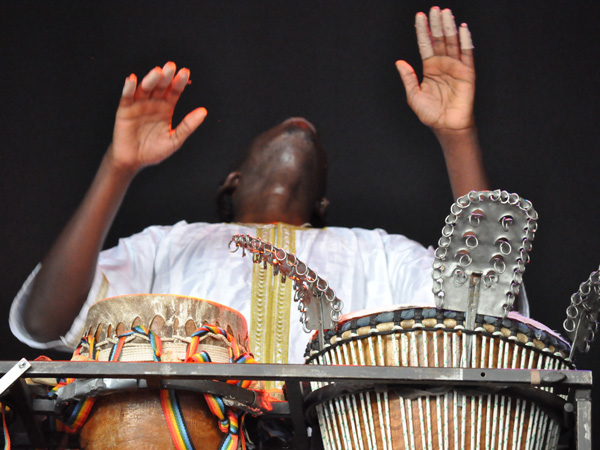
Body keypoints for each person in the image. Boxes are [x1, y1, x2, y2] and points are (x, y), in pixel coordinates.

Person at [10, 7, 494, 365]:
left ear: (322, 202)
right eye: (274, 132)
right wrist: (117, 167)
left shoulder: (377, 252)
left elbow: (480, 313)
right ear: (232, 182)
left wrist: (457, 138)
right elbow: (45, 321)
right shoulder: (168, 245)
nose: (301, 126)